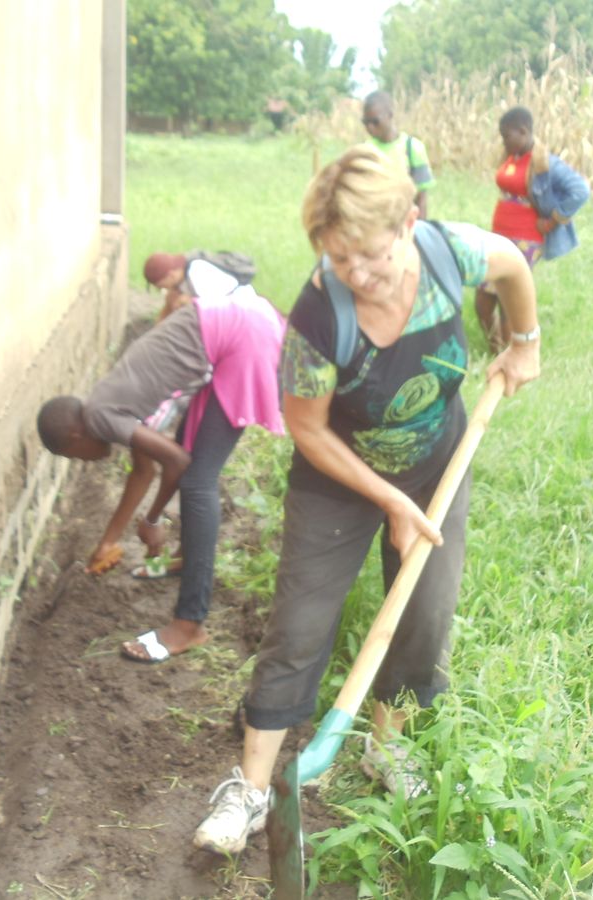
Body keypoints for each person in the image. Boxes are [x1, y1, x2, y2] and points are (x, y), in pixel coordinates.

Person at [192, 146, 540, 855]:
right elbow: (307, 428)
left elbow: (513, 263)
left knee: (425, 612)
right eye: (337, 258)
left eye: (371, 257)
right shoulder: (320, 315)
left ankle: (388, 748)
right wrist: (387, 501)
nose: (355, 274)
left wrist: (525, 340)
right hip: (340, 478)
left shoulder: (451, 256)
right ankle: (253, 790)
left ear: (410, 222)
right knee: (301, 621)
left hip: (436, 462)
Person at [36, 275, 285, 663]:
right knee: (190, 453)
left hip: (241, 338)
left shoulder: (101, 417)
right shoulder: (106, 403)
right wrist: (111, 539)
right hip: (237, 323)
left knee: (198, 479)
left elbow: (176, 463)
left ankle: (189, 625)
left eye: (75, 455)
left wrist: (153, 520)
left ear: (74, 436)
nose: (83, 460)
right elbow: (144, 471)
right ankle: (187, 557)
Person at [475, 105, 590, 353]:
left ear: (524, 132)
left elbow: (581, 190)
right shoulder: (511, 156)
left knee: (506, 297)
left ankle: (508, 357)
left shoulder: (545, 164)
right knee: (483, 299)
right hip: (499, 235)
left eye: (507, 135)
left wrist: (554, 219)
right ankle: (495, 348)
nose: (503, 141)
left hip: (526, 240)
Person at [361, 90, 435, 220]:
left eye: (375, 121)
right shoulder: (366, 151)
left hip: (405, 223)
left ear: (389, 115)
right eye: (365, 122)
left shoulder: (413, 149)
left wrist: (420, 230)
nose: (370, 127)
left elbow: (421, 199)